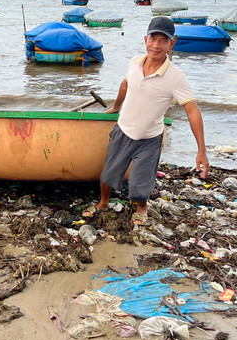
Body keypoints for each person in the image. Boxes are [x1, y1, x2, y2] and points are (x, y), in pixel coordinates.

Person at [85, 15, 209, 224]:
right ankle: (103, 203)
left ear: (172, 43)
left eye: (163, 40)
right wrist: (116, 107)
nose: (157, 45)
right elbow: (125, 84)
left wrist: (201, 150)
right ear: (145, 39)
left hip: (150, 138)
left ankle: (141, 208)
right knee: (108, 175)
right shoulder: (135, 62)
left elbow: (192, 111)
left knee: (141, 183)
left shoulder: (176, 77)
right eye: (153, 39)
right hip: (123, 131)